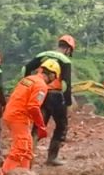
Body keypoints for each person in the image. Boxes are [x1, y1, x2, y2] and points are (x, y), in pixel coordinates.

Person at [0, 59, 58, 175]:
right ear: (52, 75)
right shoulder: (41, 85)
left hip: (12, 114)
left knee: (28, 148)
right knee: (20, 148)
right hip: (18, 117)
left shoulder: (28, 79)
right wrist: (41, 126)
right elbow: (33, 107)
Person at [23, 35, 75, 166]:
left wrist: (30, 85)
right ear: (68, 49)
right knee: (61, 126)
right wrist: (67, 103)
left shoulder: (43, 55)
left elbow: (25, 69)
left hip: (41, 93)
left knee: (38, 125)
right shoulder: (65, 60)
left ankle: (28, 159)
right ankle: (52, 157)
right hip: (56, 96)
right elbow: (65, 84)